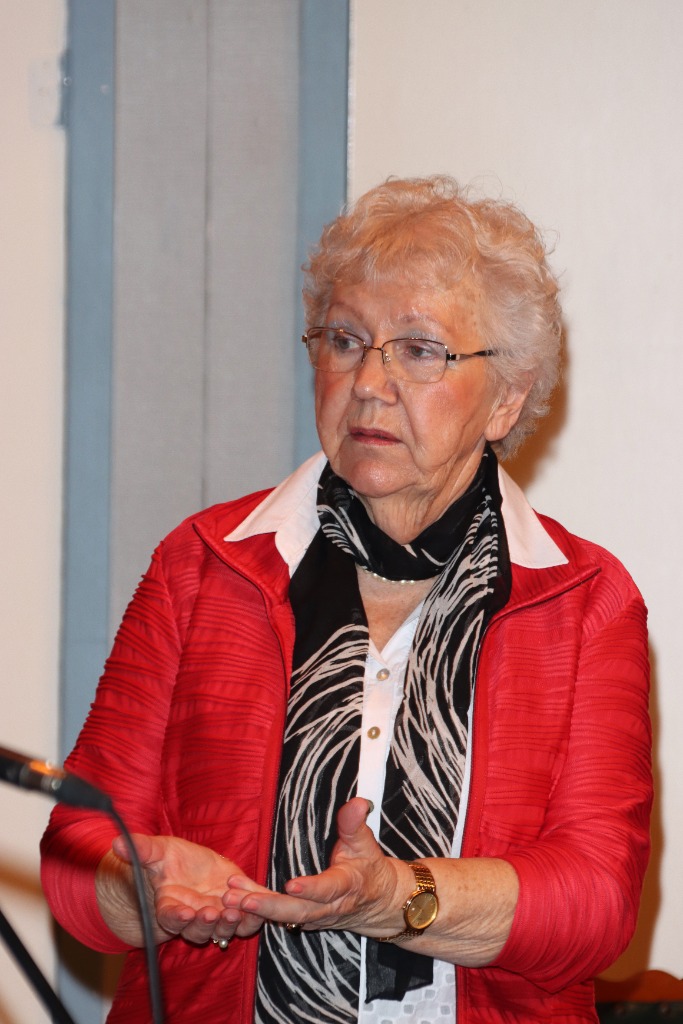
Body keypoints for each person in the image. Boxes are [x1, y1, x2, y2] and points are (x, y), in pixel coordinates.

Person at [41, 175, 652, 1024]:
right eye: (344, 339)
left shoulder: (583, 602)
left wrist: (399, 897)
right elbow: (77, 854)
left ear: (505, 397)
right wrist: (138, 888)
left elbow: (596, 904)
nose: (367, 380)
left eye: (419, 350)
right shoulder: (203, 566)